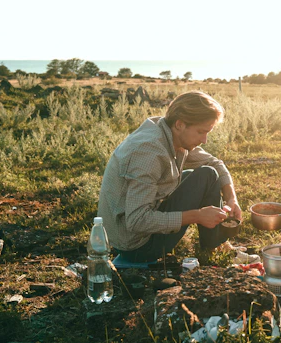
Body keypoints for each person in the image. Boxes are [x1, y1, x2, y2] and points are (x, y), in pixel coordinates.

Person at [97, 91, 242, 264]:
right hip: (136, 246)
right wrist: (197, 216)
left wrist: (231, 198)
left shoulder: (169, 132)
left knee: (207, 174)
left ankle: (214, 244)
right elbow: (137, 221)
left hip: (141, 224)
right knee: (205, 175)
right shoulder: (149, 154)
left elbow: (215, 163)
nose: (204, 140)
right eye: (201, 132)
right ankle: (214, 245)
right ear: (180, 124)